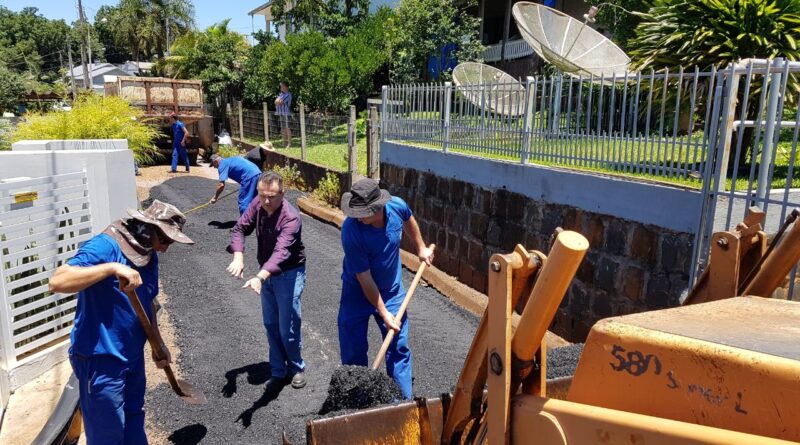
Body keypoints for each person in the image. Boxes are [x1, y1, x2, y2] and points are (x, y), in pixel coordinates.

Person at [48, 200, 194, 445]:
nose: (166, 249)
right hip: (100, 360)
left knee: (134, 417)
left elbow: (149, 302)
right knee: (108, 434)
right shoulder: (105, 246)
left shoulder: (147, 254)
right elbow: (58, 281)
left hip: (131, 356)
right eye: (166, 240)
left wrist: (158, 344)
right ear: (150, 229)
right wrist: (111, 268)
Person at [338, 178, 434, 400]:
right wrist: (383, 313)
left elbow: (409, 219)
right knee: (353, 353)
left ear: (378, 208)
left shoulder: (396, 206)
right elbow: (365, 278)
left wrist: (420, 247)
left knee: (398, 348)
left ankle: (401, 405)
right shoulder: (351, 230)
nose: (357, 217)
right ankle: (357, 405)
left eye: (363, 212)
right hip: (357, 294)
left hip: (392, 293)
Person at [226, 171, 308, 391]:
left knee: (287, 326)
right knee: (270, 324)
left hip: (289, 273)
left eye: (272, 196)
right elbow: (240, 228)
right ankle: (278, 370)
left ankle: (296, 367)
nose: (266, 201)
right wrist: (239, 255)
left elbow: (282, 252)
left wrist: (260, 276)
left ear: (283, 193)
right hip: (265, 274)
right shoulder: (258, 204)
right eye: (262, 195)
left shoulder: (291, 217)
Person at [275, 81, 292, 148]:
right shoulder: (281, 94)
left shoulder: (288, 94)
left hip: (286, 113)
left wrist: (278, 101)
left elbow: (280, 102)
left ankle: (289, 143)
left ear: (285, 86)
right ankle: (284, 143)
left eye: (281, 86)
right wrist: (277, 101)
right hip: (281, 113)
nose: (280, 88)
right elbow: (275, 101)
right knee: (283, 128)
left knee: (287, 128)